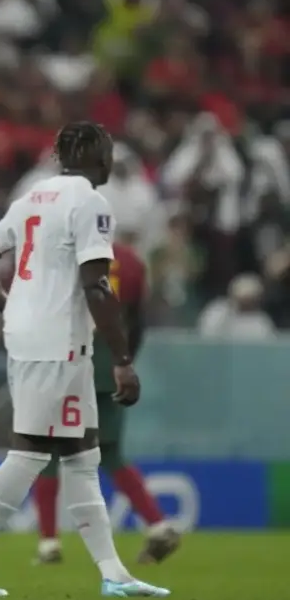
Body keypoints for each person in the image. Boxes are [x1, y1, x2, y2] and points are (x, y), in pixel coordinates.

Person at [0, 121, 168, 598]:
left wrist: (15, 307)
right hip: (57, 342)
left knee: (83, 455)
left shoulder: (31, 200)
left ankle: (114, 574)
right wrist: (122, 358)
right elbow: (97, 284)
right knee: (29, 453)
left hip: (50, 340)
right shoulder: (90, 202)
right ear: (101, 158)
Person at [33, 238, 181, 566]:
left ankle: (48, 542)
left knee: (47, 450)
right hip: (110, 367)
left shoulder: (67, 257)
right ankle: (157, 525)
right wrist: (124, 361)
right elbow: (138, 320)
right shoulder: (131, 261)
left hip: (68, 363)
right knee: (112, 453)